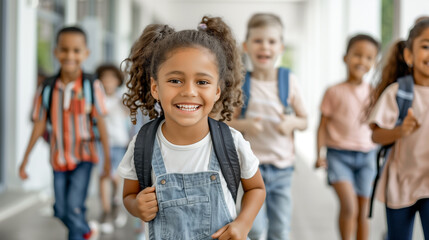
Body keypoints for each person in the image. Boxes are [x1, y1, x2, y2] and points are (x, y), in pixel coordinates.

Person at [117, 16, 266, 240]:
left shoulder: (231, 142)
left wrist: (243, 224)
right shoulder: (143, 144)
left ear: (217, 91)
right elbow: (129, 194)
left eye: (202, 82)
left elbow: (256, 189)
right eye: (175, 80)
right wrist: (136, 206)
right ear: (155, 87)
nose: (189, 91)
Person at [19, 26, 110, 240]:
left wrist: (106, 159)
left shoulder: (91, 85)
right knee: (60, 209)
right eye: (64, 50)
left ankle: (80, 232)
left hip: (84, 157)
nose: (70, 55)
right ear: (56, 52)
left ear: (85, 53)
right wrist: (25, 160)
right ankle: (86, 230)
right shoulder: (47, 88)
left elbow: (101, 123)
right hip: (58, 158)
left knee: (73, 207)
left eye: (76, 51)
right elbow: (39, 124)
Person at [227, 13, 308, 240]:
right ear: (246, 46)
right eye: (258, 41)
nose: (265, 47)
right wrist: (246, 124)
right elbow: (226, 122)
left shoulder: (288, 81)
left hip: (282, 169)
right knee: (255, 228)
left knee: (280, 229)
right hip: (251, 170)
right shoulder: (242, 85)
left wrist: (291, 123)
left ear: (281, 47)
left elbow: (304, 120)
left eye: (271, 41)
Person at [367, 19, 429, 240]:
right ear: (409, 56)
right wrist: (400, 131)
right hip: (401, 182)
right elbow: (376, 135)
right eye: (425, 46)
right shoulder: (397, 93)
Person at [315, 34, 380, 240]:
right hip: (338, 156)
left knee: (363, 211)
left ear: (374, 63)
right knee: (349, 206)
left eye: (369, 58)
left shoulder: (375, 93)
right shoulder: (333, 91)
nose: (362, 61)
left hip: (367, 157)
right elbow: (322, 126)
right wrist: (319, 154)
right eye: (357, 55)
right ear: (345, 58)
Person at [95, 64, 129, 233]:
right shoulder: (97, 99)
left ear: (117, 81)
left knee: (115, 177)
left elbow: (131, 115)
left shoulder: (121, 99)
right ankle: (106, 211)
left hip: (119, 143)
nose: (108, 82)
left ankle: (116, 202)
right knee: (103, 175)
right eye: (104, 78)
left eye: (111, 79)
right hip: (101, 143)